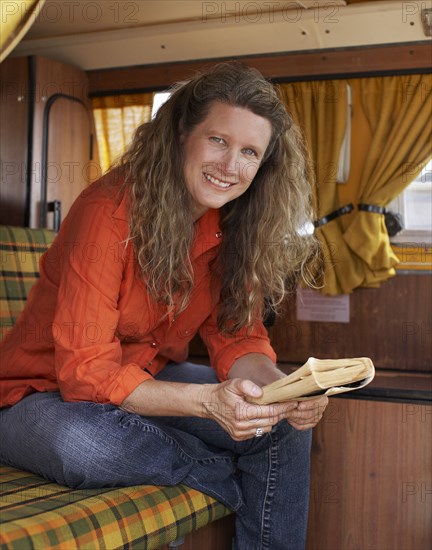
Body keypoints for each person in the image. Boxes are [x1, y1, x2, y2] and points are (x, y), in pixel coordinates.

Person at [0, 62, 328, 550]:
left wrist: (284, 390)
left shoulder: (235, 225)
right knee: (83, 447)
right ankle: (225, 480)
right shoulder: (108, 210)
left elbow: (238, 336)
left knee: (280, 427)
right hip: (40, 398)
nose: (230, 165)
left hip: (147, 381)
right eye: (218, 140)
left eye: (249, 152)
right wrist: (208, 405)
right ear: (181, 133)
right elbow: (86, 372)